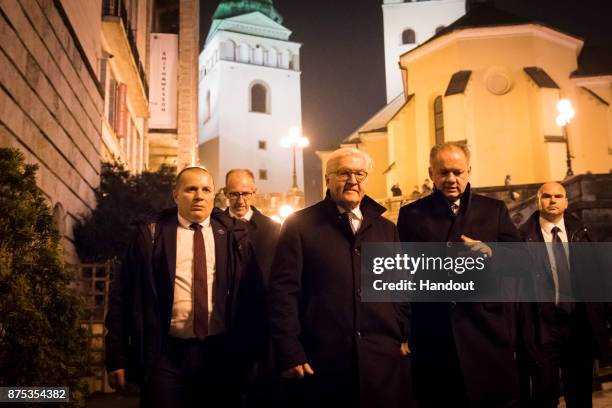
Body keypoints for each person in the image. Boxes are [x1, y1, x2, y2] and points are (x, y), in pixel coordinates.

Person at [396, 142, 539, 407]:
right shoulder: (411, 214)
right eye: (443, 172)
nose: (451, 179)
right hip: (433, 332)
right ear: (431, 173)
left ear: (469, 171)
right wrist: (403, 330)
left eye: (457, 172)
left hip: (485, 330)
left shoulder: (493, 210)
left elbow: (524, 262)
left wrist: (491, 253)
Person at [105, 166, 261, 408]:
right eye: (191, 189)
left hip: (218, 353)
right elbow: (122, 296)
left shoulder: (233, 236)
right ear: (176, 195)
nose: (199, 195)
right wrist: (116, 357)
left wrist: (252, 354)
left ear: (213, 196)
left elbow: (252, 297)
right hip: (164, 354)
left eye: (206, 189)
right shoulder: (151, 235)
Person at [268, 147, 412, 407]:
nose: (353, 180)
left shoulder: (386, 228)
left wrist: (401, 332)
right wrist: (289, 349)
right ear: (327, 179)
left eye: (360, 173)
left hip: (381, 360)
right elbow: (283, 293)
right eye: (344, 173)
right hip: (322, 359)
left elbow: (399, 286)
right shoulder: (299, 225)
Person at [519, 181, 612, 407]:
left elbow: (600, 280)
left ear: (566, 201)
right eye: (547, 196)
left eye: (558, 196)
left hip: (579, 325)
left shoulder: (584, 233)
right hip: (542, 328)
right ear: (537, 200)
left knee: (580, 395)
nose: (552, 201)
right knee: (544, 396)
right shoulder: (522, 238)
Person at [224, 168, 281, 407]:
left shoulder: (272, 229)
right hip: (224, 325)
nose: (240, 200)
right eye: (234, 194)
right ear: (225, 194)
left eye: (245, 194)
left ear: (254, 193)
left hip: (261, 323)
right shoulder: (214, 225)